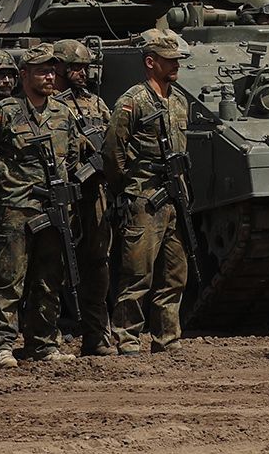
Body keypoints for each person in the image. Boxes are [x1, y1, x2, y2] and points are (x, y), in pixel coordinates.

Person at [0, 44, 77, 366]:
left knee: (49, 279)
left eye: (52, 70)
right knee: (9, 278)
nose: (49, 75)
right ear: (24, 75)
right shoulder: (3, 112)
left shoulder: (62, 113)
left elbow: (71, 154)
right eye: (41, 70)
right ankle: (2, 344)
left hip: (53, 208)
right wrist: (7, 177)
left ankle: (42, 344)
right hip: (16, 207)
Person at [105, 28, 192, 354]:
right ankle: (127, 337)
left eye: (177, 60)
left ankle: (167, 337)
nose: (176, 65)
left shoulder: (180, 101)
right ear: (150, 62)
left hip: (173, 198)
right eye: (169, 60)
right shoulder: (132, 102)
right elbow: (113, 150)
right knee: (136, 273)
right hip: (144, 198)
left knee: (174, 274)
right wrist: (129, 188)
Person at [53, 39, 115, 356]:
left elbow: (111, 139)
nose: (81, 73)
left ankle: (97, 333)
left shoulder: (95, 104)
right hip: (61, 193)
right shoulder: (48, 105)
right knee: (52, 264)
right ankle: (45, 334)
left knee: (98, 263)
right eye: (74, 67)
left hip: (94, 194)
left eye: (84, 67)